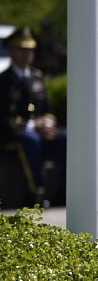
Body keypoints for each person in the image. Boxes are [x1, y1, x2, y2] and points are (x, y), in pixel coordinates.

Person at [0, 26, 66, 206]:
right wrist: (33, 125)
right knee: (30, 140)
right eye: (22, 50)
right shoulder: (3, 81)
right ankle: (36, 191)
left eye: (30, 50)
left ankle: (64, 193)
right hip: (13, 134)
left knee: (66, 138)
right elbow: (4, 118)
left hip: (38, 132)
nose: (27, 54)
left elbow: (48, 109)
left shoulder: (37, 78)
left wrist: (48, 122)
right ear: (12, 51)